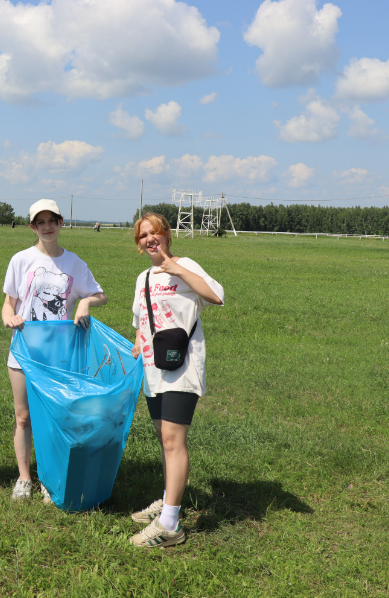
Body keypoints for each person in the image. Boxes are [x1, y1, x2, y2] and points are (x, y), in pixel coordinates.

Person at [128, 212, 224, 548]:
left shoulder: (186, 265)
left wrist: (178, 269)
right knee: (163, 436)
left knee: (172, 438)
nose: (150, 239)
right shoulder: (142, 278)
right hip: (153, 371)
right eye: (144, 236)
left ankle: (170, 524)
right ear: (139, 244)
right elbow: (142, 323)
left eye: (155, 233)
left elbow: (216, 295)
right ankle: (169, 499)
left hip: (184, 367)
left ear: (167, 236)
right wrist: (138, 345)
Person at [1, 199, 107, 501]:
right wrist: (9, 317)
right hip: (23, 352)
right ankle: (24, 478)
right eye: (40, 222)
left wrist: (86, 301)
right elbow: (8, 304)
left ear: (60, 223)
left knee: (55, 417)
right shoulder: (20, 260)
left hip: (59, 356)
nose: (47, 227)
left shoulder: (74, 263)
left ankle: (50, 477)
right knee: (23, 418)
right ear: (33, 227)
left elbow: (101, 295)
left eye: (52, 221)